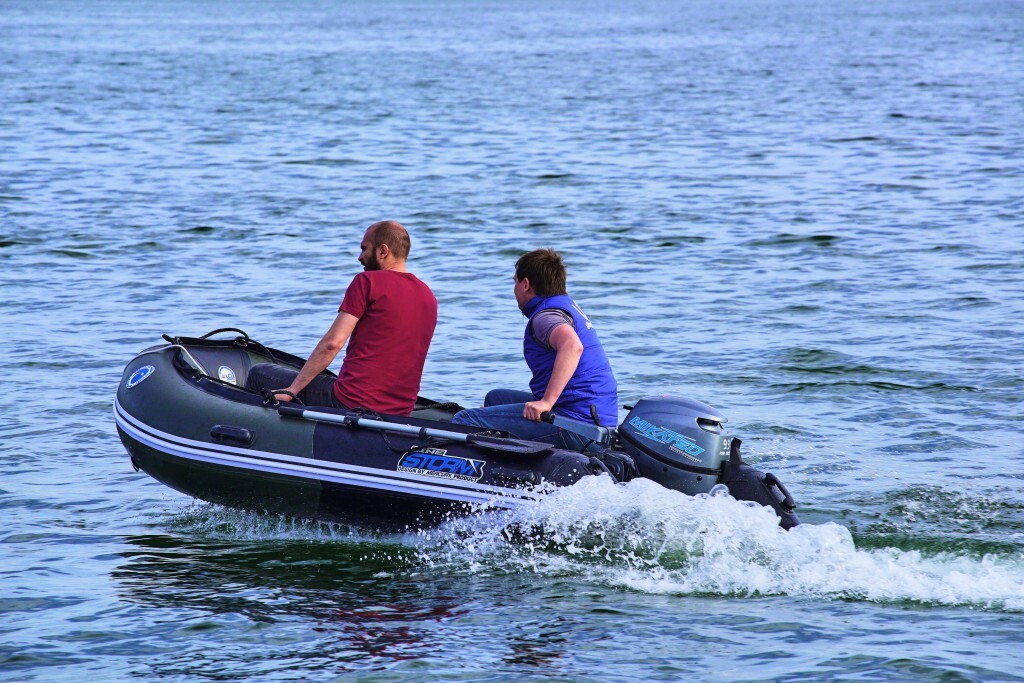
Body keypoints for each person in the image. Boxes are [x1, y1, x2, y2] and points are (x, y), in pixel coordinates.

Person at [246, 221, 437, 416]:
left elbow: (333, 343)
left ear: (383, 251)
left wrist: (292, 391)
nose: (360, 257)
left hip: (350, 401)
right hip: (400, 412)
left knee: (258, 373)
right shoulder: (428, 296)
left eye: (364, 249)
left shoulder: (367, 282)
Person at [451, 248, 618, 449]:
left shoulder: (545, 317)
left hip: (579, 429)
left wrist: (546, 402)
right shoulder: (566, 307)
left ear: (526, 284)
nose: (514, 288)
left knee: (464, 420)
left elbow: (572, 346)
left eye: (515, 282)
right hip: (598, 423)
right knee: (495, 399)